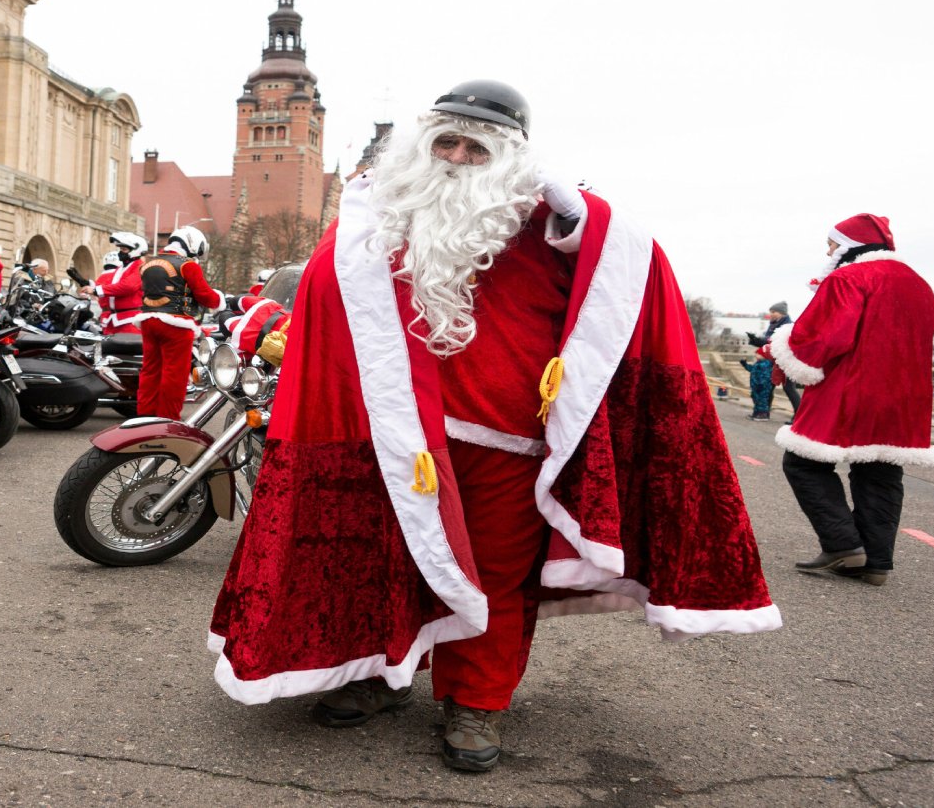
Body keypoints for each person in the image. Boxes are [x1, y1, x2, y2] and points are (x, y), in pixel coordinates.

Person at [208, 80, 780, 773]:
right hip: (397, 438)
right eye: (444, 141)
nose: (455, 157)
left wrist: (582, 214)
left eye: (475, 146)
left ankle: (476, 699)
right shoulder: (381, 214)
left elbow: (628, 264)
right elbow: (333, 295)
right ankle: (377, 673)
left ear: (510, 157)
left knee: (499, 577)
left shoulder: (554, 224)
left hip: (511, 446)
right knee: (379, 559)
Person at [766, 214, 934, 587]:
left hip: (851, 390)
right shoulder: (919, 285)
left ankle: (843, 545)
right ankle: (876, 562)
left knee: (802, 463)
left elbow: (821, 340)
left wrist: (779, 348)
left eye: (832, 243)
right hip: (905, 398)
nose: (828, 250)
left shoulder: (848, 279)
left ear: (848, 245)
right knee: (880, 471)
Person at [135, 225, 224, 419]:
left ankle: (144, 416)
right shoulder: (187, 265)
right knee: (174, 374)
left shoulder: (148, 263)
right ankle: (168, 418)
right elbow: (206, 296)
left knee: (150, 370)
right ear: (192, 243)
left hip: (148, 320)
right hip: (177, 323)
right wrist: (221, 300)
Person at [741, 301, 793, 420]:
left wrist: (760, 341)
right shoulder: (773, 325)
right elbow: (767, 342)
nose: (771, 314)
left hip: (783, 360)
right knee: (768, 390)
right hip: (772, 360)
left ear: (782, 313)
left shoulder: (787, 326)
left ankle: (798, 416)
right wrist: (755, 340)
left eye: (774, 312)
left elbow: (776, 343)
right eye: (771, 312)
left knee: (788, 388)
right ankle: (764, 413)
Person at [88, 232, 147, 336]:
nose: (120, 253)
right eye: (120, 249)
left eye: (124, 250)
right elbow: (109, 285)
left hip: (129, 320)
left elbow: (128, 286)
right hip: (113, 319)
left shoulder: (140, 267)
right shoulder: (121, 268)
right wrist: (91, 286)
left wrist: (96, 290)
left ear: (135, 251)